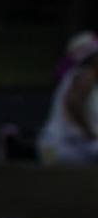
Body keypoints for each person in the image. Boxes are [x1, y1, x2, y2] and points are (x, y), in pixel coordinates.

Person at [42, 34, 98, 165]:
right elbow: (73, 102)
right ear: (93, 57)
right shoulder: (85, 75)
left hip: (53, 147)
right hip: (63, 147)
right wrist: (89, 132)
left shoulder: (78, 77)